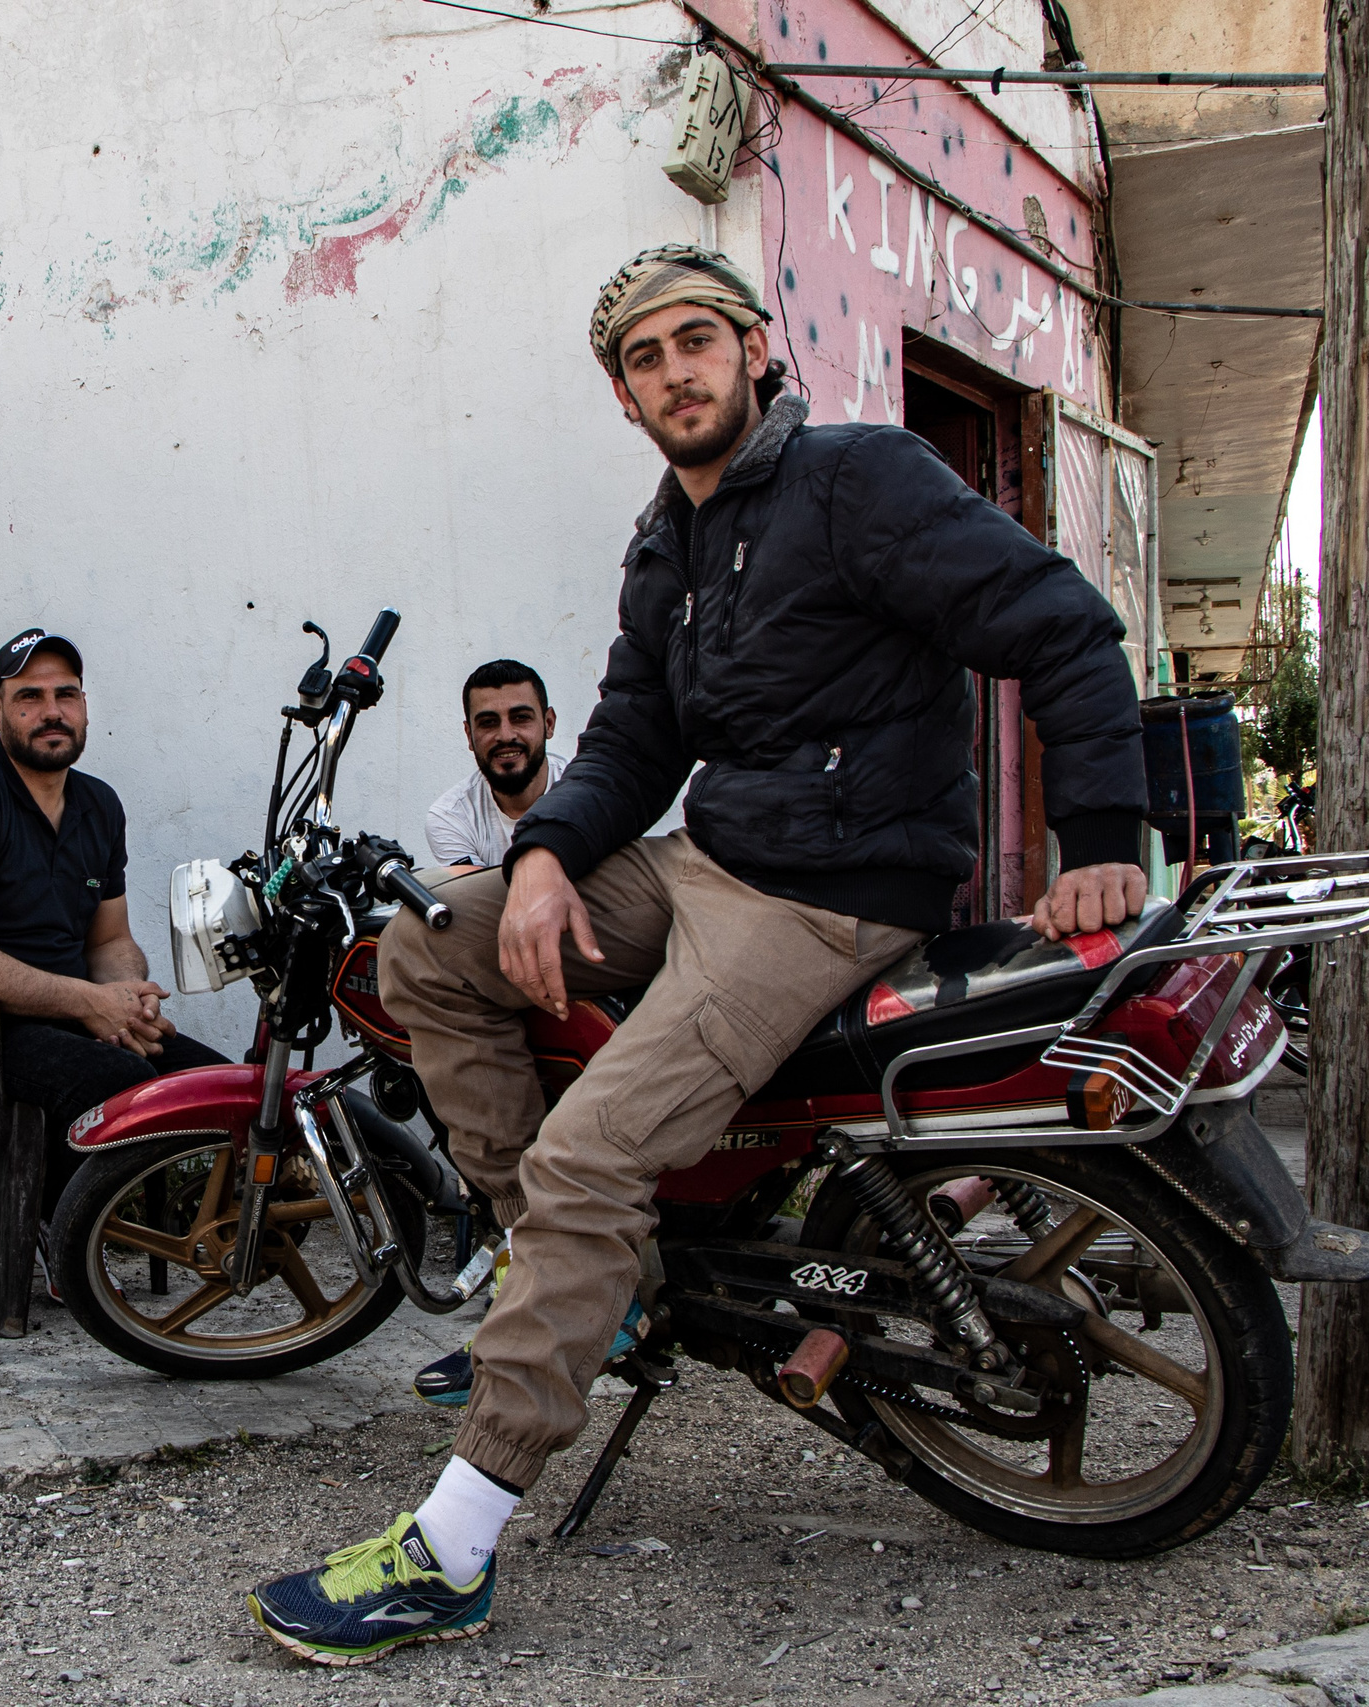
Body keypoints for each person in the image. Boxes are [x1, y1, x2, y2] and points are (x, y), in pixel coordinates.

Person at [247, 247, 1149, 1663]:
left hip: (838, 891)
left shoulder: (861, 479)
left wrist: (1105, 825)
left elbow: (1060, 623)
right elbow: (632, 738)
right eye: (645, 357)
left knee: (592, 1150)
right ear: (622, 393)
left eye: (696, 341)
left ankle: (456, 1542)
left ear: (753, 345)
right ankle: (604, 1279)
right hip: (710, 858)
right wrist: (539, 857)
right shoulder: (665, 540)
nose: (676, 370)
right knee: (423, 948)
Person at [0, 628, 227, 1288]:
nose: (51, 711)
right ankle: (38, 1216)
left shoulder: (98, 804)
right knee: (110, 1082)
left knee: (211, 1087)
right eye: (29, 696)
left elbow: (108, 943)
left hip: (68, 1023)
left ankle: (68, 1212)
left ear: (85, 708)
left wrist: (130, 999)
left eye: (66, 694)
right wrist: (88, 1002)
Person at [423, 660, 567, 872]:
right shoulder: (451, 817)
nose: (506, 735)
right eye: (488, 722)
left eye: (520, 718)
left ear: (548, 724)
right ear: (469, 735)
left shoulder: (591, 793)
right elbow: (479, 902)